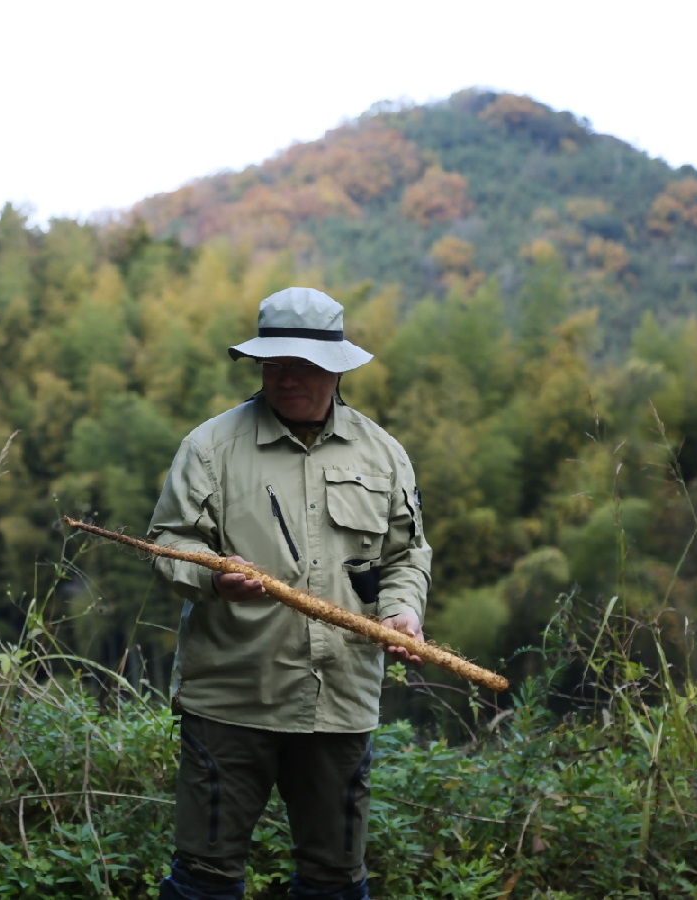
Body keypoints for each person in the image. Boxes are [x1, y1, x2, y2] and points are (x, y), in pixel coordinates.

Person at [147, 287, 431, 900]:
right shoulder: (211, 448)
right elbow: (170, 544)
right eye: (274, 364)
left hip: (342, 700)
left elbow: (405, 555)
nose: (286, 379)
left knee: (334, 880)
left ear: (335, 368)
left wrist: (403, 612)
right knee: (205, 878)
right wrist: (214, 575)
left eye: (302, 366)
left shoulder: (382, 455)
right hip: (231, 698)